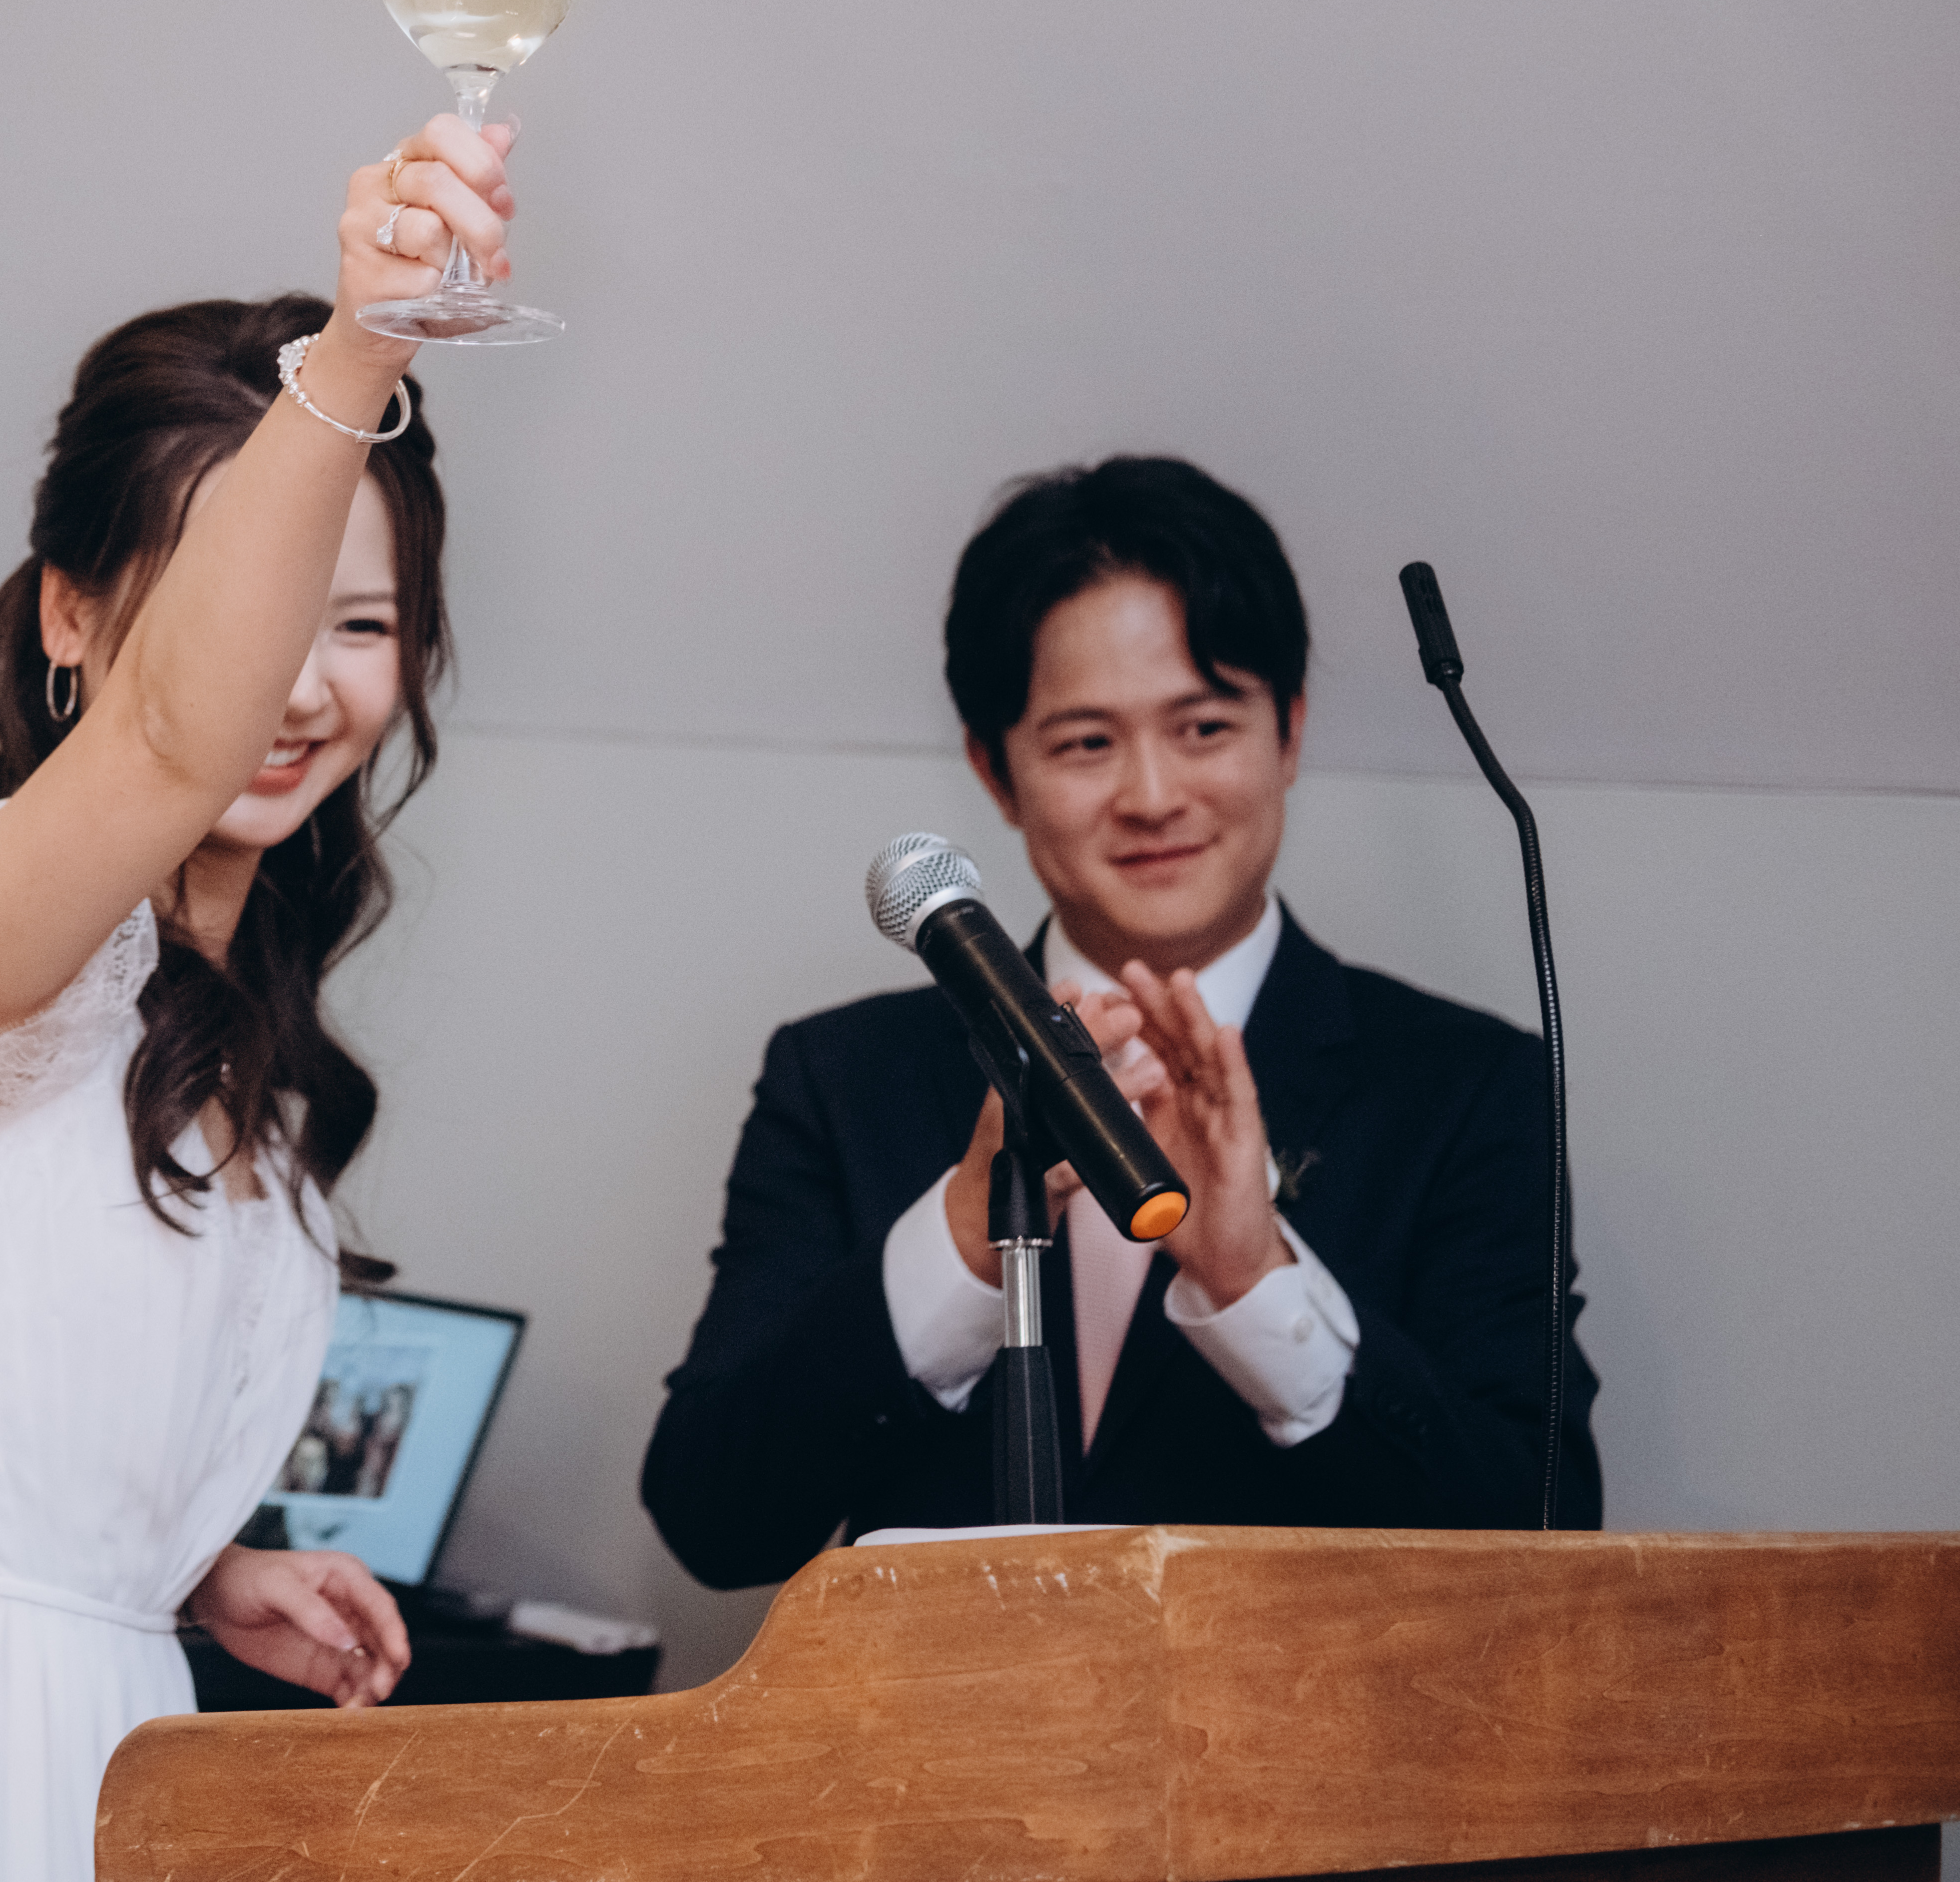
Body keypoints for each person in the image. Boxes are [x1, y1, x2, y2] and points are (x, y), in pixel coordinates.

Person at [0, 116, 516, 1880]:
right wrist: (362, 346)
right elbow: (178, 736)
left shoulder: (244, 1037)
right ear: (71, 616)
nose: (293, 689)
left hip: (115, 1752)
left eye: (359, 626)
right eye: (230, 614)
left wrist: (192, 1570)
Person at [642, 456, 1599, 1584]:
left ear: (1288, 733)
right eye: (1086, 743)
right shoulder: (843, 1073)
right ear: (995, 771)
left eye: (1203, 726)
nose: (1151, 795)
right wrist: (961, 1239)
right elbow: (712, 1519)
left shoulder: (1466, 1085)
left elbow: (1542, 1537)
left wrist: (1255, 1280)